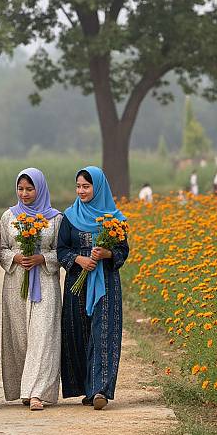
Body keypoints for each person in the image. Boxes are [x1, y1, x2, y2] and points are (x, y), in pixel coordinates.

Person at [57, 166, 129, 410]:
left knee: (104, 332)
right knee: (79, 333)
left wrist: (107, 253)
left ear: (97, 187)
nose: (81, 191)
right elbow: (62, 250)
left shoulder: (114, 219)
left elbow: (123, 251)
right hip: (77, 283)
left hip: (106, 282)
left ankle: (100, 390)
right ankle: (86, 387)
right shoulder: (69, 216)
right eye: (78, 186)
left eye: (86, 186)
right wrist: (79, 259)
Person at [0, 168, 62, 411]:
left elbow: (62, 251)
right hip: (16, 283)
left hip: (46, 283)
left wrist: (42, 258)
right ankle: (24, 388)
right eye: (21, 188)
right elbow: (1, 249)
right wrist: (15, 258)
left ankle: (37, 393)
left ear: (40, 189)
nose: (24, 194)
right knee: (20, 337)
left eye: (30, 189)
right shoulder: (9, 217)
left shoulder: (55, 218)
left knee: (43, 335)